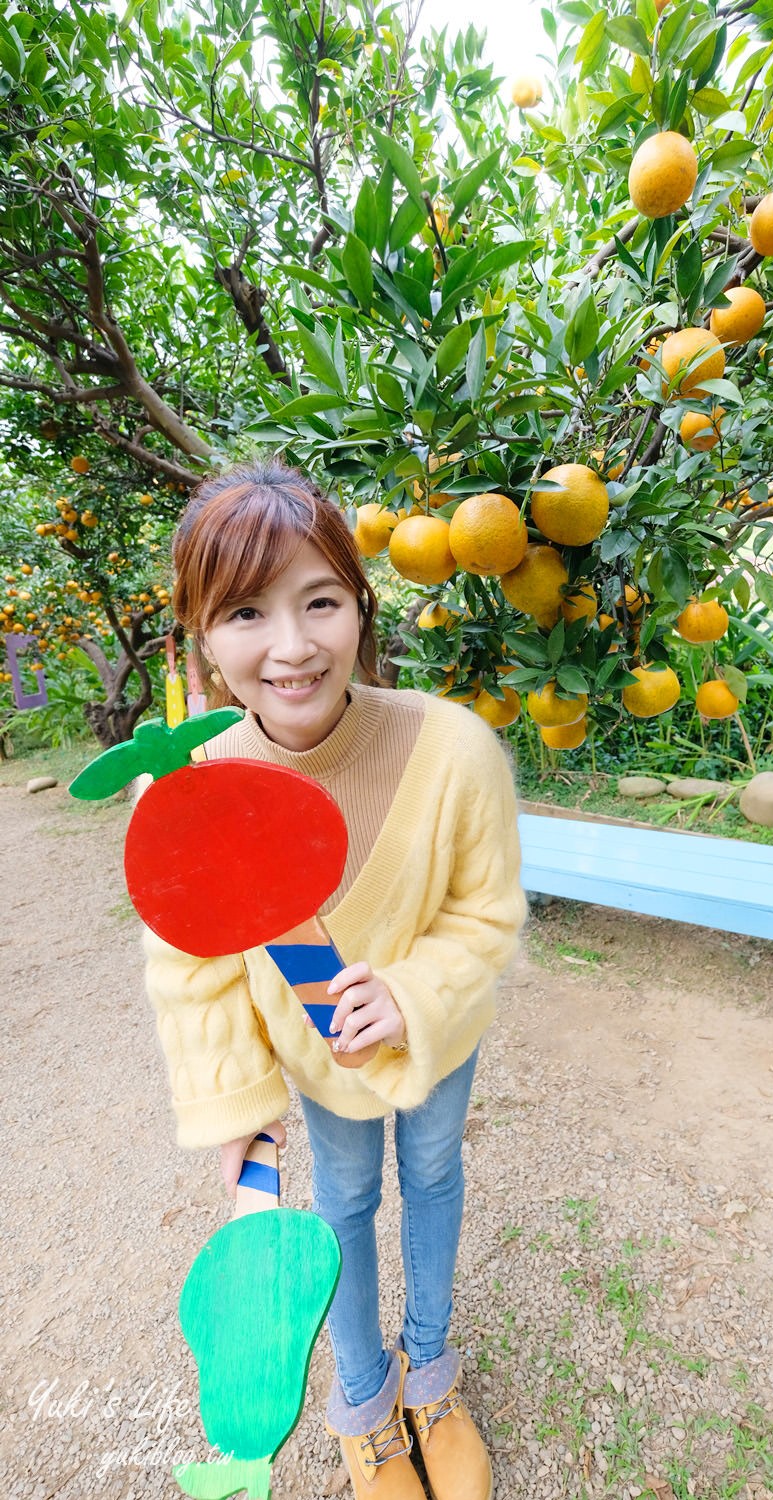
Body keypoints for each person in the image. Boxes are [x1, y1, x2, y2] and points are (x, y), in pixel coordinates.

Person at [145, 458, 526, 1500]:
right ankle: (364, 1403)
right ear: (201, 636)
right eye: (246, 614)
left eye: (320, 601)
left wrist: (414, 989)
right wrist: (232, 1101)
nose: (292, 646)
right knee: (347, 1201)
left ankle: (432, 1377)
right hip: (319, 1060)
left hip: (435, 1036)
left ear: (361, 606)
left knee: (436, 1174)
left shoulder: (453, 747)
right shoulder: (196, 782)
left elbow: (486, 912)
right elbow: (192, 961)